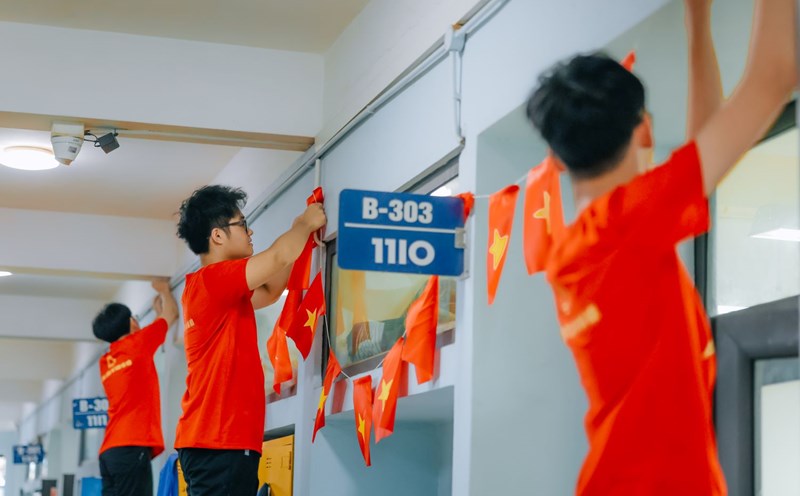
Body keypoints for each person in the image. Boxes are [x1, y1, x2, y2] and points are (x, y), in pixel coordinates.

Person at [525, 0, 796, 494]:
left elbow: (704, 152)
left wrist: (698, 23)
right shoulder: (628, 222)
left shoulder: (573, 252)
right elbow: (774, 78)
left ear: (559, 161)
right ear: (645, 130)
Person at [174, 185, 326, 495]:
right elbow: (278, 256)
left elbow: (271, 291)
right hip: (219, 440)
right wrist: (303, 225)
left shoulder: (215, 290)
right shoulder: (215, 279)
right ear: (217, 235)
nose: (250, 230)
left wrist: (303, 238)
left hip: (216, 441)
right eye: (242, 224)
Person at [93, 279, 179, 496]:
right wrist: (165, 291)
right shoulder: (138, 343)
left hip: (109, 451)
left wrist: (157, 314)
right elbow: (172, 315)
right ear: (131, 323)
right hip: (130, 446)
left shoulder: (106, 362)